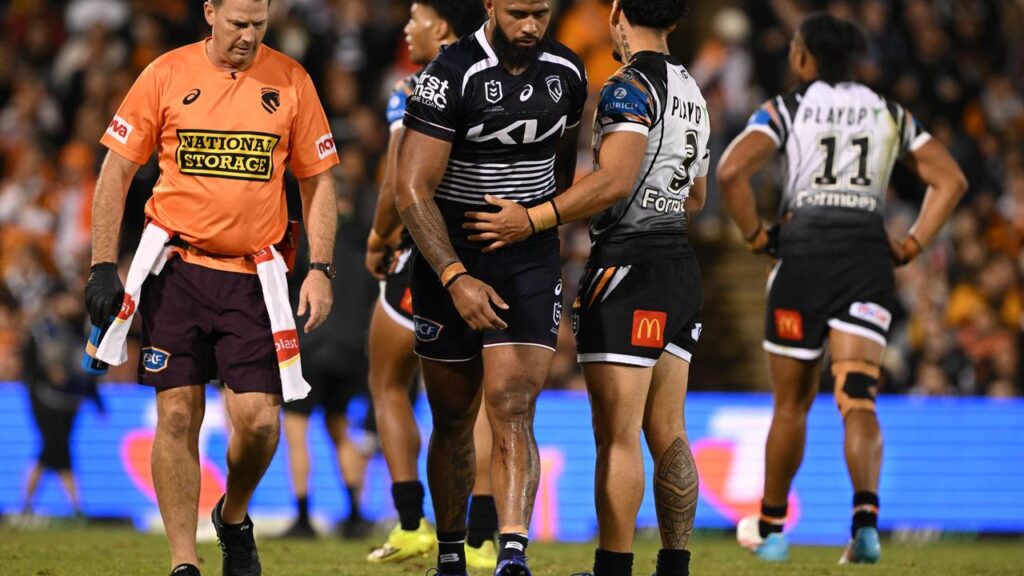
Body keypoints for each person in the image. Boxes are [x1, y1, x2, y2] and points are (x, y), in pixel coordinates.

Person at [85, 0, 339, 574]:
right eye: (237, 24)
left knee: (260, 422)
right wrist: (103, 265)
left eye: (259, 25)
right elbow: (116, 170)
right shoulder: (166, 73)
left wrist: (320, 270)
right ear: (209, 13)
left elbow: (320, 184)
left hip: (254, 277)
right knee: (177, 414)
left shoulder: (292, 80)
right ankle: (184, 563)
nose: (248, 36)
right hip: (176, 270)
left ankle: (232, 515)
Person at [717, 12, 967, 565]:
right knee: (857, 398)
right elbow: (950, 178)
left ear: (804, 57)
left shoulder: (788, 106)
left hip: (803, 256)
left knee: (791, 405)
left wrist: (758, 236)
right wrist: (913, 244)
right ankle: (866, 527)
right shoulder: (888, 111)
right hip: (865, 259)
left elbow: (732, 171)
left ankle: (774, 530)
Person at [465, 1, 705, 574]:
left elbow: (615, 180)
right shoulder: (693, 89)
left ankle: (613, 568)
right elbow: (694, 197)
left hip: (628, 271)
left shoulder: (628, 86)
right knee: (669, 430)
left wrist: (535, 217)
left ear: (618, 11)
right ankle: (675, 567)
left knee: (618, 435)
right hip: (679, 269)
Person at [396, 0, 587, 573]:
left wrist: (536, 219)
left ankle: (511, 552)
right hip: (450, 252)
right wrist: (455, 277)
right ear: (490, 7)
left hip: (527, 253)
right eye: (517, 14)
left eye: (541, 14)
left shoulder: (568, 72)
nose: (530, 26)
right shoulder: (450, 75)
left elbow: (562, 163)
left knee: (512, 403)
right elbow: (412, 189)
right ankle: (451, 552)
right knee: (453, 415)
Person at [363, 0, 499, 569]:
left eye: (416, 18)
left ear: (442, 26)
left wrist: (377, 236)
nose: (406, 28)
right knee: (490, 402)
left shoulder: (423, 85)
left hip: (428, 253)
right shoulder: (509, 77)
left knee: (389, 381)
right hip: (497, 249)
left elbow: (402, 178)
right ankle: (487, 539)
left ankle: (415, 523)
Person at [280, 196, 378, 541]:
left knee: (296, 431)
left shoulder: (306, 249)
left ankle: (303, 517)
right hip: (351, 351)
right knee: (339, 428)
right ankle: (355, 514)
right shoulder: (364, 250)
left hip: (310, 345)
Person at [22, 288, 102, 521]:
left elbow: (87, 369)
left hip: (70, 402)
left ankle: (27, 505)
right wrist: (47, 374)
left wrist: (96, 400)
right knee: (56, 449)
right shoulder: (40, 331)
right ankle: (74, 506)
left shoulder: (80, 330)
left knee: (52, 451)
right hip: (46, 399)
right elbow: (28, 365)